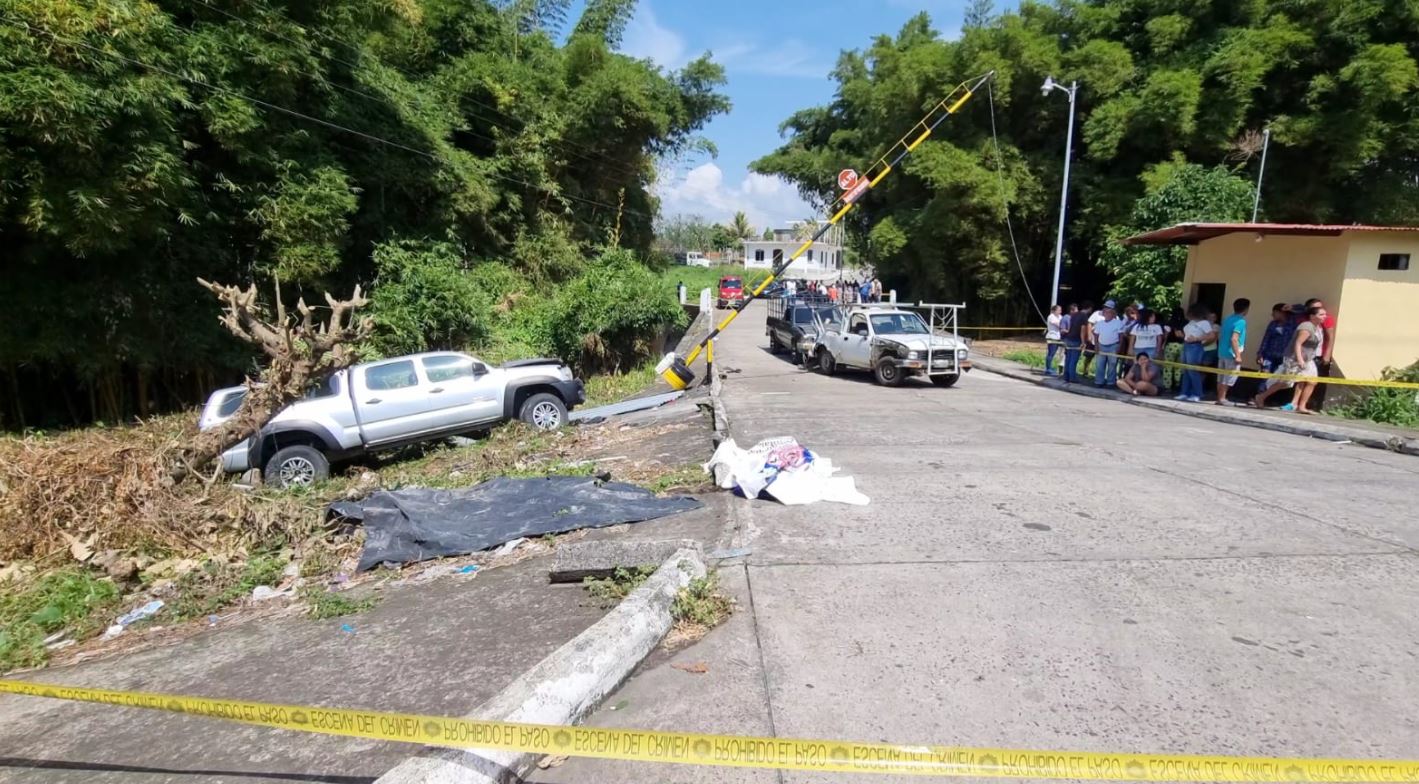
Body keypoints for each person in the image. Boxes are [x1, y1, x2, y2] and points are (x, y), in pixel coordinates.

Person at [1254, 304, 1327, 413]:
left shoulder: (1318, 328)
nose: (1324, 316)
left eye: (1325, 314)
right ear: (1312, 316)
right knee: (1285, 382)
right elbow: (1298, 343)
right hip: (1295, 358)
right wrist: (1300, 360)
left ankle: (1301, 406)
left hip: (1308, 359)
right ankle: (1261, 397)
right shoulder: (1306, 326)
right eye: (1321, 314)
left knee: (1312, 381)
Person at [1175, 304, 1214, 402]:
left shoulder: (1204, 323)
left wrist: (1197, 338)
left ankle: (1197, 393)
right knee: (1186, 370)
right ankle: (1184, 392)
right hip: (1186, 344)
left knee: (1193, 370)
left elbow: (1211, 335)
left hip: (1195, 345)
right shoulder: (1191, 322)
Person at [1305, 297, 1338, 411]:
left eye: (1321, 307)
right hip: (1307, 355)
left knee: (1317, 381)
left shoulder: (1326, 320)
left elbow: (1330, 337)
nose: (1320, 311)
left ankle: (1314, 405)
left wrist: (1327, 354)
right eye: (1316, 308)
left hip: (1320, 355)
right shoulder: (1305, 320)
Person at [1215, 298, 1250, 406]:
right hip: (1232, 353)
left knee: (1221, 376)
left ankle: (1219, 397)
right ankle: (1222, 398)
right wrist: (1238, 355)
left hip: (1222, 351)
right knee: (1230, 376)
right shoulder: (1241, 321)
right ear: (1246, 309)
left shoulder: (1227, 319)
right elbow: (1234, 338)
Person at [1091, 302, 1126, 388]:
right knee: (1099, 364)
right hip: (1101, 345)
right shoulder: (1100, 323)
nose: (1106, 314)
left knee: (1112, 365)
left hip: (1113, 346)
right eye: (1105, 312)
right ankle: (1099, 381)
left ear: (1112, 313)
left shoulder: (1118, 323)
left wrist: (1119, 347)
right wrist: (1096, 346)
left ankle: (1110, 382)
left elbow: (1121, 336)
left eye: (1108, 312)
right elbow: (1096, 335)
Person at [1256, 303, 1294, 373]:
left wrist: (1292, 307)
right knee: (1265, 376)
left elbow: (1304, 309)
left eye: (1275, 313)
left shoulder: (1292, 324)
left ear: (1282, 313)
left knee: (1277, 379)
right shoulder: (1272, 324)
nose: (1272, 315)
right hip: (1269, 355)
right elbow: (1266, 339)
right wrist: (1260, 354)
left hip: (1284, 357)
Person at [1062, 301, 1092, 384]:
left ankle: (1066, 376)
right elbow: (1082, 330)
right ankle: (1072, 378)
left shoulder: (1074, 315)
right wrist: (1083, 342)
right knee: (1074, 360)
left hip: (1069, 338)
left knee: (1068, 358)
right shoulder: (1084, 317)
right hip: (1076, 339)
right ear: (1089, 308)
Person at [1082, 301, 1109, 375]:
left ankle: (1099, 373)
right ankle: (1085, 371)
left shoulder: (1114, 316)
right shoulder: (1097, 313)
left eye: (1108, 307)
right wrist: (1089, 335)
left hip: (1104, 341)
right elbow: (1089, 323)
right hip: (1093, 339)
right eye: (1105, 307)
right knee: (1088, 356)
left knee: (1101, 358)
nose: (1105, 308)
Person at [1044, 305, 1064, 376]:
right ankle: (1048, 369)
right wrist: (1064, 326)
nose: (1060, 311)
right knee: (1051, 353)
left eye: (1060, 310)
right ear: (1054, 310)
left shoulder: (1060, 317)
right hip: (1052, 337)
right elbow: (1058, 325)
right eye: (1058, 310)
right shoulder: (1051, 316)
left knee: (1060, 353)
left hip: (1058, 337)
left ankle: (1057, 368)